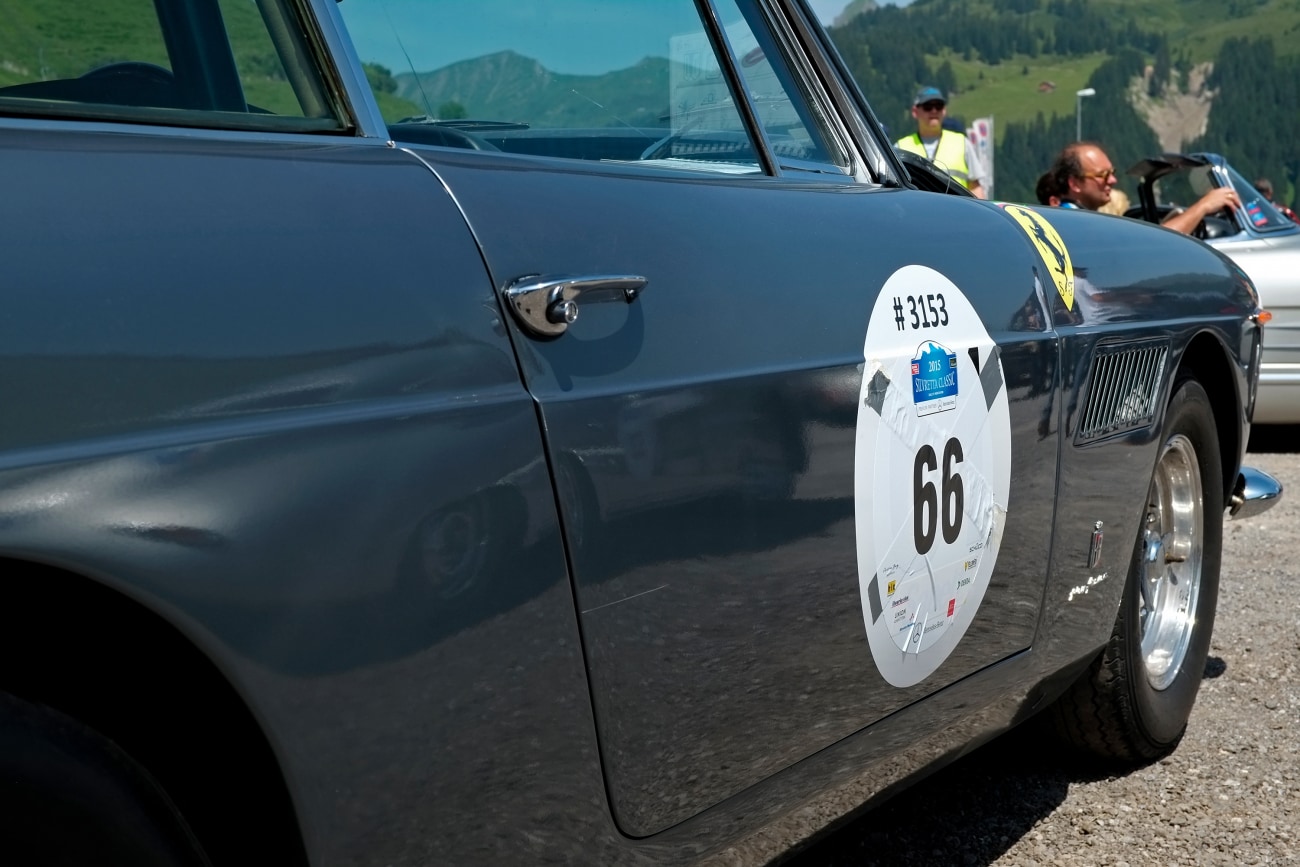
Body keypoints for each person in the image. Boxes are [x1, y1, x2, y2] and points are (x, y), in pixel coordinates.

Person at [1046, 141, 1238, 234]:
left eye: (1111, 173)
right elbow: (1158, 243)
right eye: (1102, 175)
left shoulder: (1072, 219)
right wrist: (1203, 206)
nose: (1112, 181)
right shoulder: (1078, 226)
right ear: (1074, 183)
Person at [895, 86, 988, 199]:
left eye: (938, 106)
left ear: (944, 111)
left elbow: (975, 187)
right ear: (915, 111)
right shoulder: (901, 147)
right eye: (928, 107)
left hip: (955, 213)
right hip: (916, 213)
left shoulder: (962, 143)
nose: (934, 111)